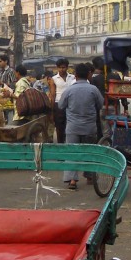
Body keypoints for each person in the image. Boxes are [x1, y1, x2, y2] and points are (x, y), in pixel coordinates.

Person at [58, 62, 103, 190]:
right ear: (88, 75)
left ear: (75, 75)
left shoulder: (69, 90)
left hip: (73, 127)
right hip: (89, 127)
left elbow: (61, 105)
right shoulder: (93, 90)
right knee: (89, 151)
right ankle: (89, 176)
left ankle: (72, 180)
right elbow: (100, 105)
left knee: (72, 153)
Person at [49, 58, 74, 143]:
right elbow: (52, 95)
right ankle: (60, 145)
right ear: (57, 68)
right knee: (59, 128)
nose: (61, 69)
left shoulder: (72, 77)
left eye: (63, 67)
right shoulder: (54, 79)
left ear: (67, 68)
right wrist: (52, 112)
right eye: (60, 67)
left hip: (70, 105)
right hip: (58, 105)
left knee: (70, 127)